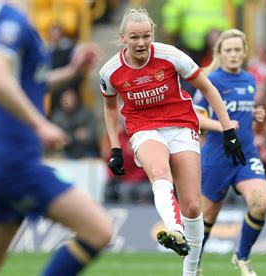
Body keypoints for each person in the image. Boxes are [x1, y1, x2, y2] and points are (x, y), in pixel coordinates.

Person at [0, 1, 113, 275]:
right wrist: (40, 124)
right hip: (14, 162)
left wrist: (71, 72)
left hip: (0, 158)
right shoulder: (11, 19)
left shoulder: (9, 19)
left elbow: (26, 83)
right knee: (98, 230)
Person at [99, 9, 244, 276]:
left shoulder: (170, 56)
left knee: (191, 205)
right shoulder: (110, 72)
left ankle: (190, 271)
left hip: (181, 125)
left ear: (153, 34)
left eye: (146, 36)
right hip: (144, 129)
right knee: (160, 171)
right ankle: (174, 229)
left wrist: (228, 131)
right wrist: (115, 148)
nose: (141, 43)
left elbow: (207, 88)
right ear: (122, 38)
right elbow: (110, 108)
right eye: (134, 37)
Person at [193, 29, 266, 276]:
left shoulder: (250, 80)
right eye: (229, 50)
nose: (234, 54)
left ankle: (242, 258)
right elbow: (196, 115)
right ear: (220, 54)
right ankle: (194, 264)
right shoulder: (210, 80)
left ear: (245, 52)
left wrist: (254, 114)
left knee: (260, 204)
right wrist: (222, 126)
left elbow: (241, 113)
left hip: (246, 155)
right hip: (217, 158)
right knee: (208, 217)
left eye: (238, 50)